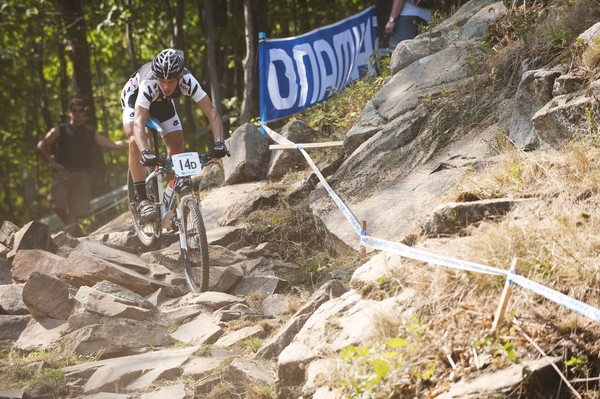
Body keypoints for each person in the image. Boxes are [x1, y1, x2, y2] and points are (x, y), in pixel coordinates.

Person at [121, 48, 228, 222]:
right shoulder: (149, 84)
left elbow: (212, 112)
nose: (166, 86)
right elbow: (139, 122)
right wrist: (146, 151)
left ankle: (171, 197)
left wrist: (219, 143)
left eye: (171, 81)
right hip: (134, 98)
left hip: (162, 103)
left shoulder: (188, 81)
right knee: (134, 141)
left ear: (179, 78)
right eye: (162, 80)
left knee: (177, 144)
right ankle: (141, 199)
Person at [37, 98, 128, 234]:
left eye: (80, 110)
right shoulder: (60, 130)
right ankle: (75, 230)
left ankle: (73, 238)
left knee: (76, 211)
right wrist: (53, 163)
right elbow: (40, 146)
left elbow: (113, 144)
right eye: (74, 110)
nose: (78, 113)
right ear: (69, 112)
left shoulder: (91, 132)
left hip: (83, 175)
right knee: (56, 203)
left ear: (84, 112)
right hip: (64, 172)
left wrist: (133, 140)